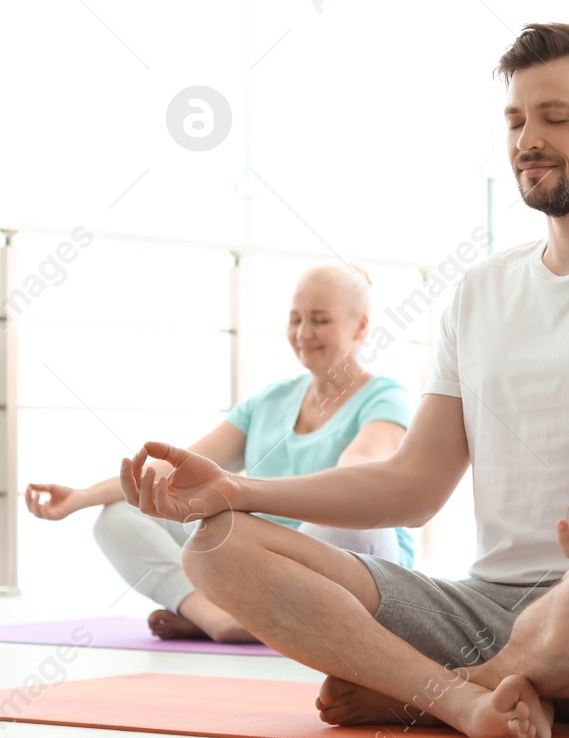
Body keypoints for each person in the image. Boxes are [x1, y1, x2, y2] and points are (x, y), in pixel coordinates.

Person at [120, 23, 569, 738]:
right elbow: (414, 484)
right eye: (515, 120)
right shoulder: (481, 290)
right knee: (213, 548)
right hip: (482, 606)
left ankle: (433, 691)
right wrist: (238, 490)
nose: (527, 139)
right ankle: (467, 700)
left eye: (556, 117)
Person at [24, 265, 413, 642]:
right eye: (295, 319)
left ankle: (259, 616)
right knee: (119, 515)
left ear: (361, 326)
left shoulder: (384, 398)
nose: (303, 333)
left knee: (352, 522)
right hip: (263, 557)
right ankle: (217, 617)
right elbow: (176, 470)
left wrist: (246, 494)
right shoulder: (269, 400)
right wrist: (81, 497)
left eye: (319, 320)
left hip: (335, 561)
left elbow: (358, 475)